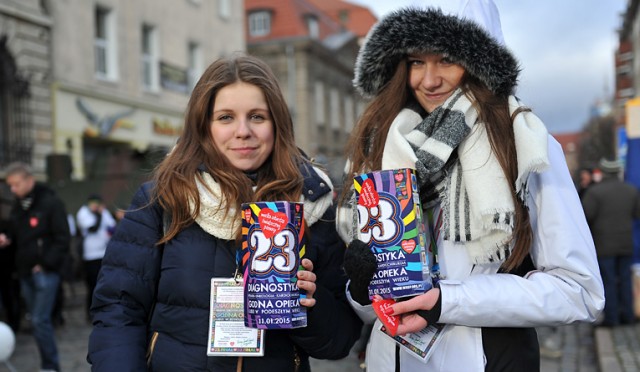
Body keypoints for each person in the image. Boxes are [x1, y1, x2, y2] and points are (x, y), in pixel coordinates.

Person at [337, 2, 605, 371]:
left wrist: (447, 301)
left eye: (446, 59)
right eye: (416, 61)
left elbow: (580, 291)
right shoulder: (383, 150)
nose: (428, 80)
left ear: (480, 63)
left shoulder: (524, 144)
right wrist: (364, 289)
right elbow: (374, 312)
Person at [87, 54, 362, 371]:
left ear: (277, 123)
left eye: (257, 117)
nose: (243, 131)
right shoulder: (165, 197)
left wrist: (309, 306)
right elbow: (118, 309)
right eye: (226, 117)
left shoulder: (313, 207)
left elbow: (339, 341)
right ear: (204, 126)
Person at [0, 161, 70, 372]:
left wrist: (45, 263)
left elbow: (62, 238)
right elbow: (17, 232)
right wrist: (7, 238)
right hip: (24, 271)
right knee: (38, 321)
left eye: (16, 184)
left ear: (29, 180)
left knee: (40, 320)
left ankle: (50, 367)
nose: (13, 189)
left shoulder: (50, 202)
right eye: (10, 185)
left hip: (44, 272)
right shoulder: (18, 206)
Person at [582, 158, 640, 327]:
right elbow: (637, 214)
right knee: (624, 279)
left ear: (603, 172)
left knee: (608, 281)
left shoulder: (595, 192)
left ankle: (611, 318)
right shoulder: (631, 190)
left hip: (604, 244)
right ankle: (628, 316)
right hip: (626, 243)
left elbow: (586, 216)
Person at [76, 194, 116, 320]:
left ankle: (106, 310)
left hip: (104, 253)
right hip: (90, 256)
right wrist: (98, 214)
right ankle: (91, 312)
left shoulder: (103, 212)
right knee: (92, 286)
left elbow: (112, 227)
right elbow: (93, 228)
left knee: (107, 284)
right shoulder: (83, 213)